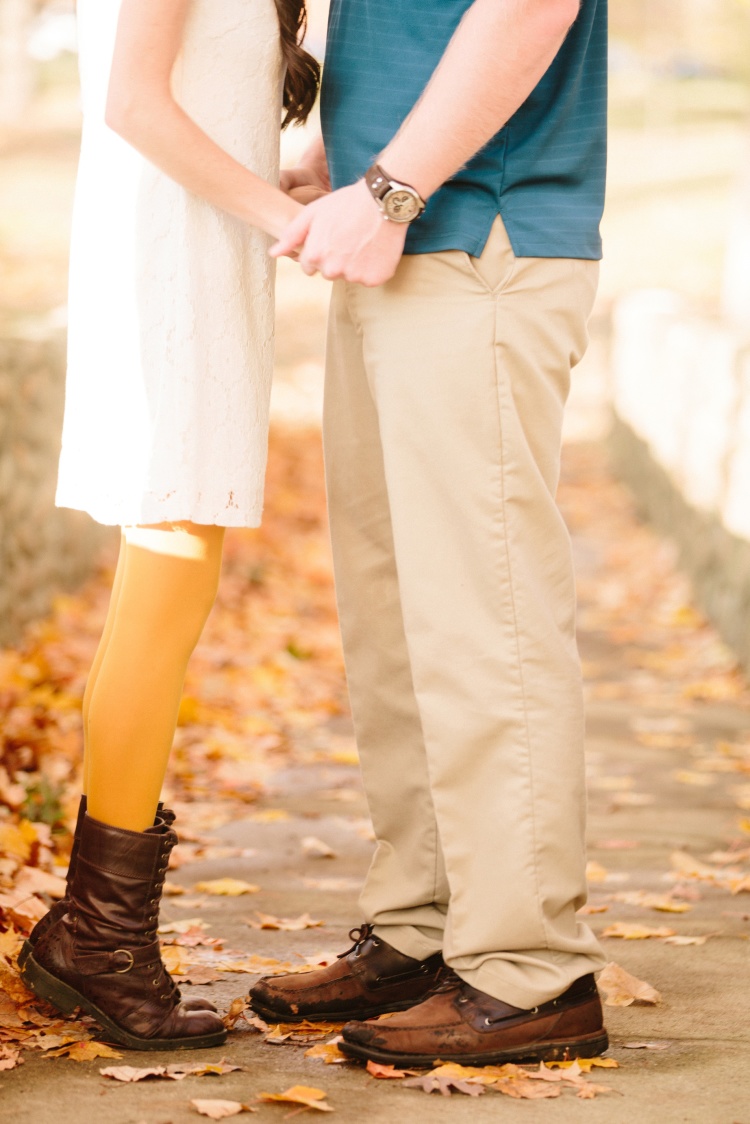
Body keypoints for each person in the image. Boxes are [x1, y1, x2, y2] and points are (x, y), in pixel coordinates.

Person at [250, 0, 611, 1067]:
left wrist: (392, 184)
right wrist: (343, 154)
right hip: (408, 233)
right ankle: (424, 925)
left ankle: (528, 967)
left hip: (474, 235)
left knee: (482, 616)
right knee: (398, 613)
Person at [20, 0, 321, 1052]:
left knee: (170, 583)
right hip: (170, 267)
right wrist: (283, 217)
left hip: (200, 255)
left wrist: (276, 189)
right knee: (171, 574)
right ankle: (100, 937)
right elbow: (134, 104)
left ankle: (93, 929)